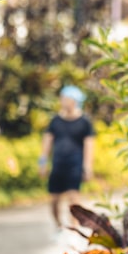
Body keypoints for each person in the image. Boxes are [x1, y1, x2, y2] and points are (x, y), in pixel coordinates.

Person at [39, 85, 95, 230]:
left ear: (75, 101)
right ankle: (58, 226)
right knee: (54, 199)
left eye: (66, 98)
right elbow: (47, 141)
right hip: (58, 164)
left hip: (75, 164)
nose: (63, 101)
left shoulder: (84, 122)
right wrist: (43, 162)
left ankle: (73, 228)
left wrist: (87, 167)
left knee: (73, 198)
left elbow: (89, 145)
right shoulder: (55, 121)